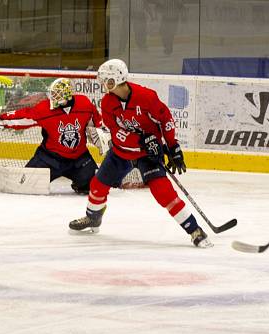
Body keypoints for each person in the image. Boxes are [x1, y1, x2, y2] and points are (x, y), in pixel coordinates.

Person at [68, 59, 209, 247]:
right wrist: (142, 140)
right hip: (121, 153)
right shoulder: (108, 102)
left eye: (105, 80)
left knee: (163, 192)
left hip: (148, 156)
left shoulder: (147, 97)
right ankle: (93, 218)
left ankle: (194, 230)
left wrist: (173, 147)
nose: (103, 84)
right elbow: (115, 133)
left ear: (114, 80)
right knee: (97, 186)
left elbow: (165, 120)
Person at [0, 78, 101, 194]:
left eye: (58, 95)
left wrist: (102, 134)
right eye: (53, 95)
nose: (54, 98)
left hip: (79, 159)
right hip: (49, 159)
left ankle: (81, 183)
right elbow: (24, 116)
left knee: (95, 186)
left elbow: (97, 121)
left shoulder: (84, 104)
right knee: (24, 184)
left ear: (68, 95)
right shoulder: (44, 108)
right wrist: (0, 120)